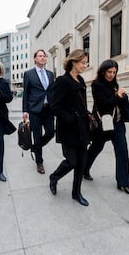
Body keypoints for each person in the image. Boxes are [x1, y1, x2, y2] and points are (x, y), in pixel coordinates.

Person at [84, 59, 129, 196]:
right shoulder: (96, 85)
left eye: (114, 72)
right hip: (103, 124)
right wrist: (118, 96)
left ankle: (124, 183)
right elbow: (103, 105)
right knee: (96, 148)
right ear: (103, 71)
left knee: (122, 151)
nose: (112, 74)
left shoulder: (115, 84)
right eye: (109, 72)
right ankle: (84, 168)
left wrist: (122, 96)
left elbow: (117, 103)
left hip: (117, 123)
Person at [49, 49, 91, 206]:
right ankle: (54, 177)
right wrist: (71, 118)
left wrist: (86, 115)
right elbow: (55, 106)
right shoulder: (62, 80)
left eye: (86, 63)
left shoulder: (80, 80)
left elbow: (82, 104)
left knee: (81, 162)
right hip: (68, 129)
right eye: (83, 62)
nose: (85, 65)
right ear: (73, 62)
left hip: (83, 129)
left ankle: (76, 193)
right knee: (72, 161)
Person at [22, 49, 55, 174]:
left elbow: (52, 91)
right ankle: (39, 162)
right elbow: (26, 93)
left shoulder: (50, 74)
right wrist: (25, 110)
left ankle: (36, 147)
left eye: (44, 56)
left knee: (51, 132)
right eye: (40, 56)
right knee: (36, 135)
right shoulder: (29, 74)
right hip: (35, 109)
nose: (43, 58)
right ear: (35, 59)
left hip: (49, 109)